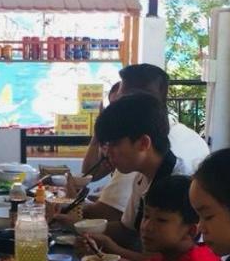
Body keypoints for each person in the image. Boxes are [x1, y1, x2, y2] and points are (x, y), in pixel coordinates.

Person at [75, 65, 209, 224]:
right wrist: (104, 127)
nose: (117, 108)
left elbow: (109, 214)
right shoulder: (144, 166)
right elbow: (91, 174)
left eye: (120, 101)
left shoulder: (147, 154)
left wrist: (70, 207)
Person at [73, 94, 186, 255]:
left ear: (143, 143)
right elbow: (126, 230)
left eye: (115, 144)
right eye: (105, 145)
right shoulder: (142, 176)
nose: (107, 153)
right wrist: (78, 226)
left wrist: (111, 249)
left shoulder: (178, 184)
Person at [84, 175, 219, 261]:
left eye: (161, 220)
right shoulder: (169, 255)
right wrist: (107, 260)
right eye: (146, 216)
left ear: (190, 231)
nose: (147, 227)